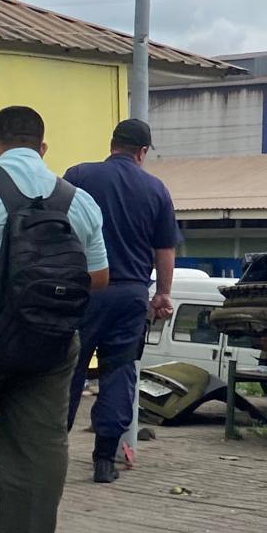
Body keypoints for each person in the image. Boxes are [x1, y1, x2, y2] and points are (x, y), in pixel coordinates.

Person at [0, 106, 108, 533]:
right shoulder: (78, 199)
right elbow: (99, 278)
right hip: (49, 343)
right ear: (43, 148)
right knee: (40, 446)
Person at [66, 119, 179, 483]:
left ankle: (50, 451)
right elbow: (165, 248)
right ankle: (103, 461)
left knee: (67, 369)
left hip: (82, 291)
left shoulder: (79, 175)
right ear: (143, 152)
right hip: (130, 295)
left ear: (112, 143)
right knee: (118, 373)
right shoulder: (156, 189)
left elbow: (57, 226)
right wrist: (162, 293)